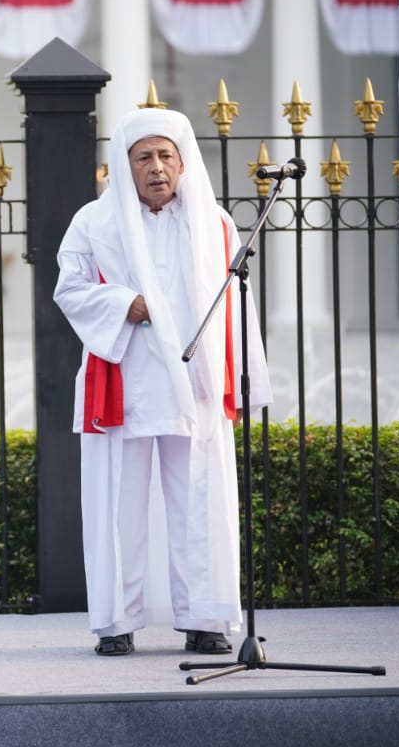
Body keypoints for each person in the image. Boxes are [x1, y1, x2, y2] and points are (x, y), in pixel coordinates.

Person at [54, 107, 271, 657]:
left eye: (165, 156)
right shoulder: (94, 222)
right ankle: (117, 624)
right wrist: (127, 304)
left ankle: (204, 621)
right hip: (123, 378)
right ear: (125, 166)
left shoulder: (215, 222)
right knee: (118, 506)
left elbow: (235, 304)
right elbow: (70, 289)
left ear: (183, 161)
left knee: (200, 500)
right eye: (144, 157)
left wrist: (246, 381)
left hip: (194, 383)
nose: (156, 168)